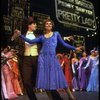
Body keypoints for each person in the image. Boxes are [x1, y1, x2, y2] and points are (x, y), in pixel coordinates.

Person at [13, 19, 83, 100]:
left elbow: (63, 44)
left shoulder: (56, 34)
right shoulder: (41, 37)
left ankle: (71, 96)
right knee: (45, 80)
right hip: (42, 59)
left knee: (60, 77)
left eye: (50, 23)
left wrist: (75, 48)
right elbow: (31, 41)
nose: (49, 25)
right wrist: (20, 35)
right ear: (44, 26)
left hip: (52, 58)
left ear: (52, 25)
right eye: (47, 24)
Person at [11, 16, 39, 100]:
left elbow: (49, 40)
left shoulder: (38, 36)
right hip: (26, 60)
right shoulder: (21, 36)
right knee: (26, 82)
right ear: (29, 25)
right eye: (34, 24)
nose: (35, 25)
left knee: (42, 79)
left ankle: (55, 97)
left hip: (37, 60)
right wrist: (14, 36)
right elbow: (11, 42)